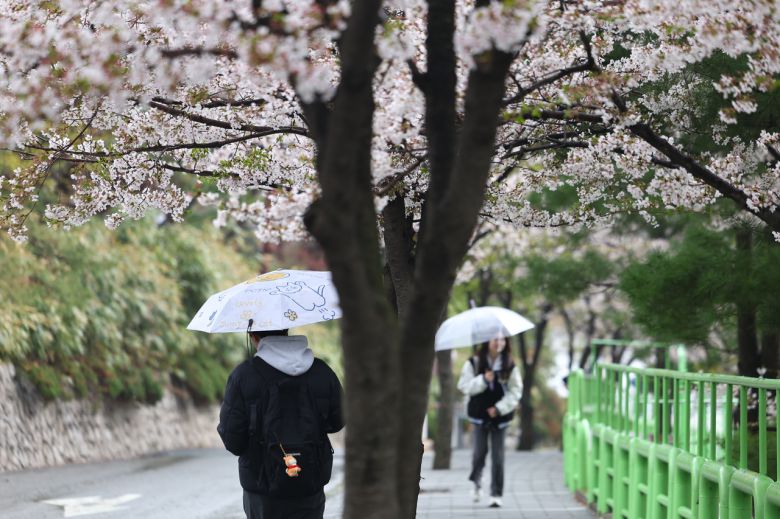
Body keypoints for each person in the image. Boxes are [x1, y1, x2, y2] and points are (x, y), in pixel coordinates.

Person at [218, 329, 344, 519]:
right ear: (285, 331)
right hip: (310, 482)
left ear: (253, 336)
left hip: (261, 489)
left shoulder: (243, 375)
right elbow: (338, 421)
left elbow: (233, 440)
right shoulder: (321, 371)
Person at [457, 335, 522, 508]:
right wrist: (484, 380)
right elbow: (464, 386)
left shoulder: (510, 364)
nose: (498, 342)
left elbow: (516, 391)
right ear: (487, 341)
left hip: (501, 417)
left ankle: (496, 494)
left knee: (498, 457)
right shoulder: (474, 362)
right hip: (479, 416)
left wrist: (499, 408)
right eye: (495, 339)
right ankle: (477, 483)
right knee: (479, 453)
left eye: (502, 339)